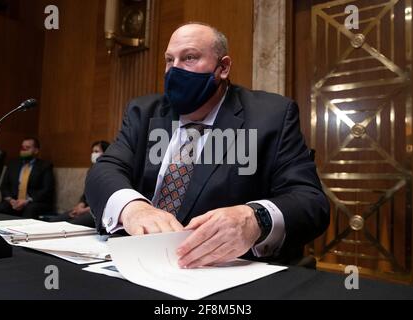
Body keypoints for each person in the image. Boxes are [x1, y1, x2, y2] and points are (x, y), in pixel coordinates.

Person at [85, 23, 330, 268]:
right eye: (170, 60)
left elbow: (310, 202)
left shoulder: (272, 116)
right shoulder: (144, 111)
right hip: (137, 260)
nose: (175, 70)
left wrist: (256, 218)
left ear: (223, 67)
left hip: (220, 272)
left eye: (189, 57)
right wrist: (133, 209)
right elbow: (105, 170)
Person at [0, 137, 54, 218]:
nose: (23, 150)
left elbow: (47, 189)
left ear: (36, 150)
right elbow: (4, 186)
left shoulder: (45, 166)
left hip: (33, 202)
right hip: (14, 201)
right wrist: (11, 200)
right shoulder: (12, 164)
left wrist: (26, 201)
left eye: (27, 148)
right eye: (22, 147)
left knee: (30, 209)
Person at [52, 141, 110, 227]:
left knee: (71, 226)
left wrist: (84, 210)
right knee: (54, 221)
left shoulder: (110, 172)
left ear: (106, 153)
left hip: (99, 212)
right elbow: (86, 193)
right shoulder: (91, 170)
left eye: (97, 152)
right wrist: (80, 206)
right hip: (84, 209)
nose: (93, 154)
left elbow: (107, 200)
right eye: (93, 151)